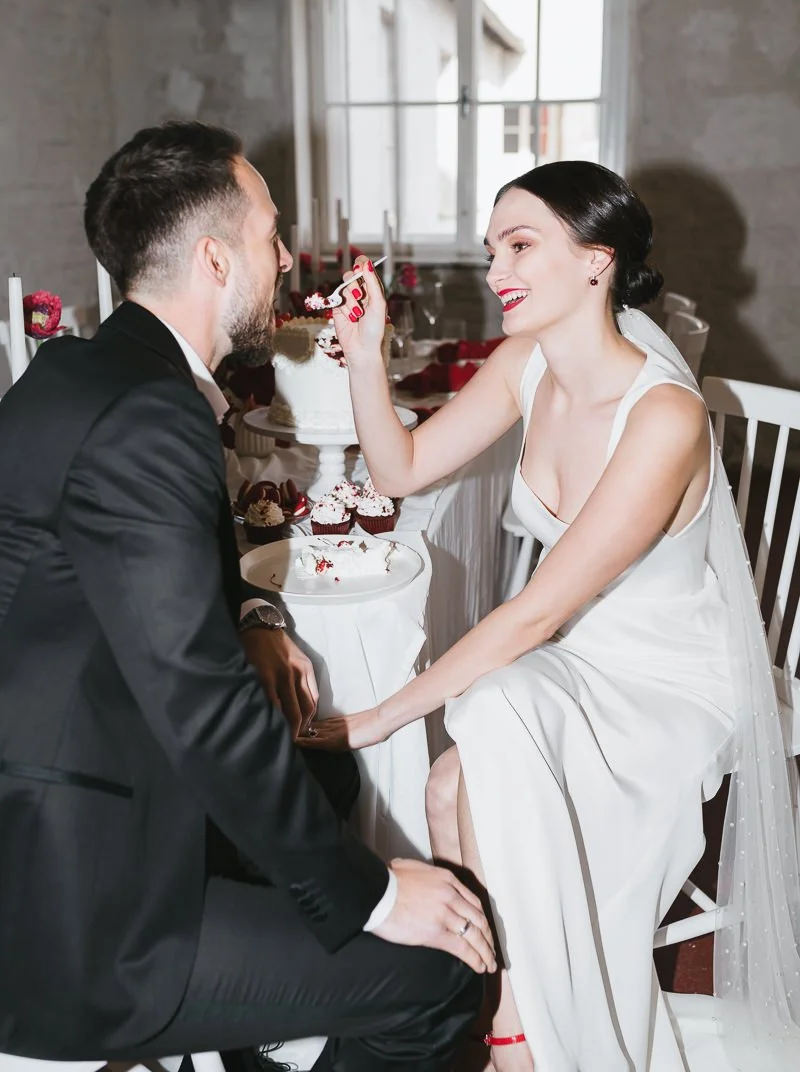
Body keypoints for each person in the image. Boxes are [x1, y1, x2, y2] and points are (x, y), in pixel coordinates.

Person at [0, 120, 495, 1072]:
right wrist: (375, 896)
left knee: (329, 774)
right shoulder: (149, 416)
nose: (284, 256)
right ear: (216, 258)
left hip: (74, 772)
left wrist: (259, 616)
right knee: (438, 980)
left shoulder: (94, 371)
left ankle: (258, 1041)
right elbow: (200, 706)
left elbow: (151, 569)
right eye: (272, 234)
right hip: (79, 906)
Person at [302, 161, 800, 1070]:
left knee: (471, 751)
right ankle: (514, 1020)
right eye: (493, 248)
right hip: (574, 657)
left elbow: (530, 616)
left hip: (667, 678)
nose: (496, 271)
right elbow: (401, 472)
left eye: (521, 245)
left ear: (597, 261)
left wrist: (373, 720)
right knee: (452, 784)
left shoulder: (665, 418)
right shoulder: (525, 363)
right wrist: (368, 357)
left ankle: (511, 1036)